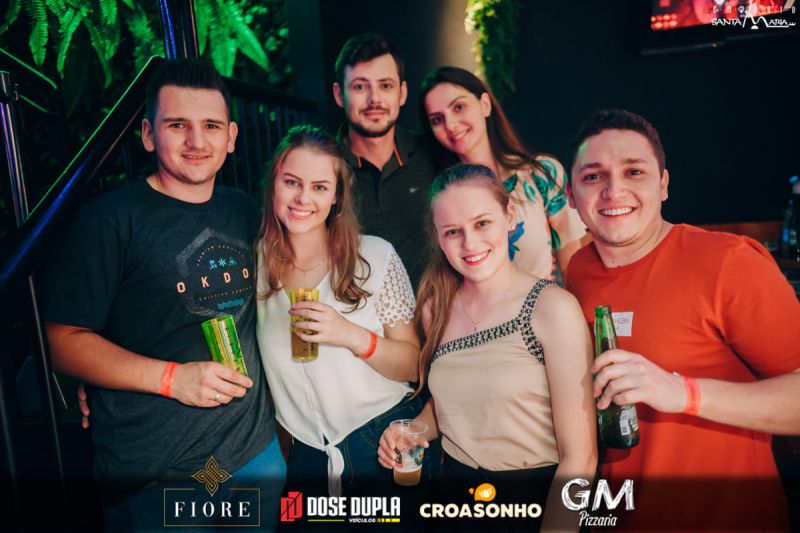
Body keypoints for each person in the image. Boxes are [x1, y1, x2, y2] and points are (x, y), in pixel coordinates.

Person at [41, 59, 284, 531]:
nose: (197, 141)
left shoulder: (244, 210)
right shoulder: (110, 221)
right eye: (177, 125)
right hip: (159, 475)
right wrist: (172, 378)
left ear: (231, 137)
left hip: (254, 458)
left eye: (211, 125)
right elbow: (61, 341)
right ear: (149, 135)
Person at [564, 108, 800, 530]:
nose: (614, 190)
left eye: (634, 171)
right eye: (593, 176)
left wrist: (684, 393)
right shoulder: (579, 271)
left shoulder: (728, 262)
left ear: (664, 185)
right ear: (571, 194)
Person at [377, 164, 597, 532]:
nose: (470, 243)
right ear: (437, 237)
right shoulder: (435, 307)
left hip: (533, 505)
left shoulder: (552, 308)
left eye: (482, 223)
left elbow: (580, 460)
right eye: (453, 231)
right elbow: (454, 405)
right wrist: (412, 430)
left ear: (509, 217)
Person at [255, 124, 422, 501]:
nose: (303, 198)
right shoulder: (254, 265)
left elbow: (413, 365)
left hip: (381, 440)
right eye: (291, 182)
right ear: (273, 184)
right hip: (307, 457)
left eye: (319, 187)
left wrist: (350, 335)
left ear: (336, 197)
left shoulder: (374, 256)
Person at [419, 66, 587, 281]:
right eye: (437, 119)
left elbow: (571, 261)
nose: (450, 125)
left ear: (485, 104)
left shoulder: (540, 174)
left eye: (459, 107)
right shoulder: (442, 197)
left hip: (542, 299)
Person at [333, 33, 443, 289]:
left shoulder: (433, 153)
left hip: (438, 309)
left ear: (402, 93)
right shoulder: (323, 169)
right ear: (339, 94)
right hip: (358, 312)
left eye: (385, 86)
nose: (375, 99)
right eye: (360, 87)